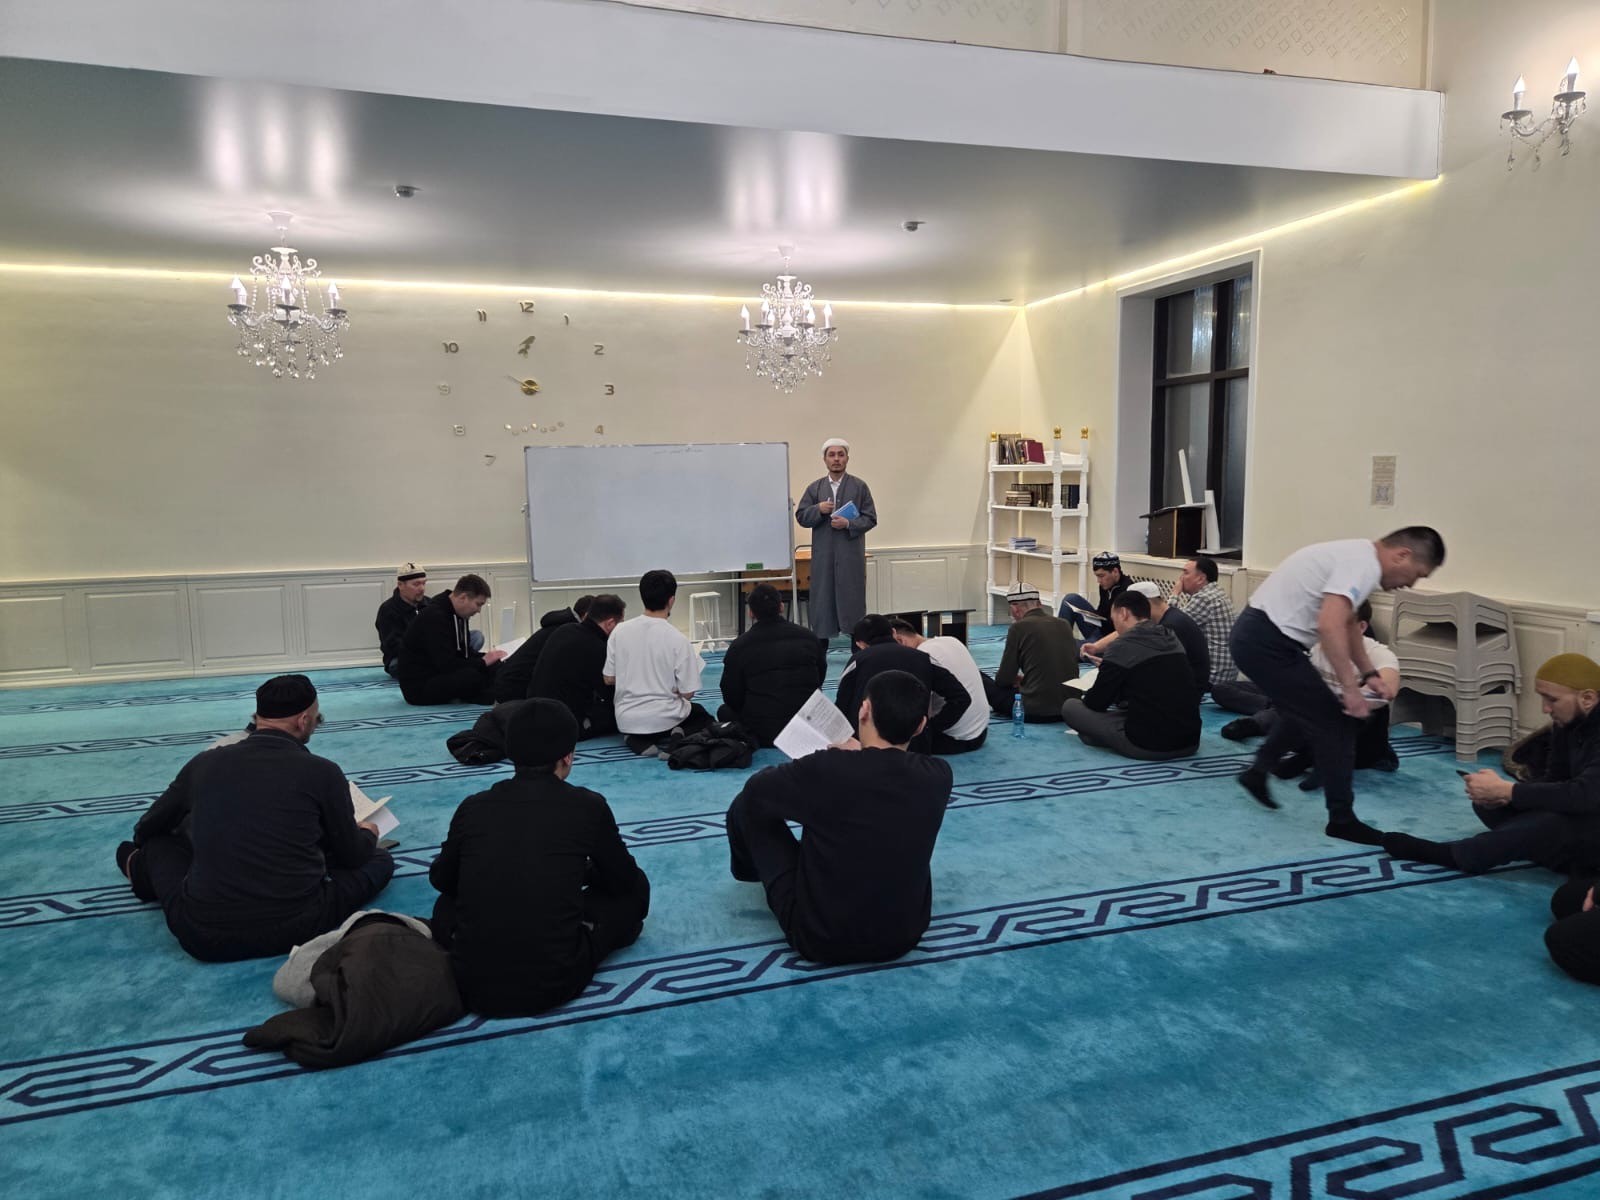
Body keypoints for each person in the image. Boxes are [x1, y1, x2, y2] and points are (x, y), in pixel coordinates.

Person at [114, 675, 395, 962]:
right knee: (380, 860)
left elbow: (148, 828)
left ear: (258, 717)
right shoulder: (323, 771)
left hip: (205, 936)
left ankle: (138, 869)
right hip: (298, 925)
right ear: (303, 721)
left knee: (159, 844)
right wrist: (368, 833)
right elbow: (352, 856)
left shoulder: (204, 764)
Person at [429, 699, 650, 1016]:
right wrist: (581, 872)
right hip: (555, 982)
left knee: (446, 905)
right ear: (568, 756)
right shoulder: (587, 806)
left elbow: (442, 879)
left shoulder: (473, 806)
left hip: (472, 984)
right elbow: (623, 880)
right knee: (635, 891)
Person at [1229, 526, 1445, 844]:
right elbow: (1329, 626)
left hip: (1261, 638)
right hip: (1267, 642)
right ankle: (1342, 820)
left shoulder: (1358, 556)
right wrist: (1351, 690)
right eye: (1418, 574)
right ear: (1403, 555)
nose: (1410, 584)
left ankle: (1257, 772)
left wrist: (1369, 674)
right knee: (1337, 723)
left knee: (1304, 712)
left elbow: (1348, 626)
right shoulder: (1363, 564)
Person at [725, 669, 952, 965]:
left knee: (745, 806)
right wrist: (858, 755)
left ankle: (750, 872)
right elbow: (882, 778)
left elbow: (757, 792)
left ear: (864, 710)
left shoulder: (827, 768)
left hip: (819, 939)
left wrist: (816, 765)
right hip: (904, 935)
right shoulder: (938, 776)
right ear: (920, 725)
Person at [1382, 654, 1600, 876]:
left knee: (1550, 822)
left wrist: (1511, 791)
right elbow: (1556, 779)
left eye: (1552, 700)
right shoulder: (1567, 724)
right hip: (1584, 810)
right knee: (1491, 806)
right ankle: (1550, 852)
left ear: (1588, 698)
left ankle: (1460, 855)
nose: (1545, 708)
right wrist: (1504, 795)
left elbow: (1585, 795)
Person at [1218, 599, 1400, 779]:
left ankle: (1308, 755)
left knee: (1369, 708)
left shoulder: (1378, 654)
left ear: (1361, 627)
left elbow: (1387, 688)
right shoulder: (1314, 647)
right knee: (1228, 690)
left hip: (1355, 740)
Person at [1061, 590, 1200, 761]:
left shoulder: (1122, 645)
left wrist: (1108, 673)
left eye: (1114, 620)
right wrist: (1113, 669)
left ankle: (1099, 736)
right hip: (1190, 741)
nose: (1115, 627)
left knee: (1071, 707)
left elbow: (1096, 703)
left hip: (1148, 745)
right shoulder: (1170, 636)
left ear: (1124, 613)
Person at [604, 569, 712, 756]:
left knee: (642, 721)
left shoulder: (619, 631)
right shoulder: (678, 639)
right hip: (666, 718)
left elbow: (608, 679)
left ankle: (635, 739)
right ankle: (677, 736)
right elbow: (688, 693)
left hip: (626, 718)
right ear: (671, 600)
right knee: (702, 716)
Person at [834, 615, 972, 755]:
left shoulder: (856, 662)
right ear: (893, 632)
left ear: (860, 644)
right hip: (914, 749)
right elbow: (961, 697)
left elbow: (841, 708)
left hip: (866, 749)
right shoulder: (923, 658)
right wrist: (929, 729)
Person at [718, 583, 828, 746]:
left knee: (724, 711)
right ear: (781, 607)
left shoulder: (739, 646)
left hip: (762, 730)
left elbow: (731, 694)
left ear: (751, 613)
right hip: (806, 724)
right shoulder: (809, 638)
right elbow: (820, 677)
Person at [795, 438, 877, 641]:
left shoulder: (859, 487)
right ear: (824, 459)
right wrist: (818, 509)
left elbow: (870, 518)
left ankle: (858, 651)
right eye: (831, 455)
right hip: (823, 560)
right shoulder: (815, 488)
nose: (836, 459)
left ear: (847, 458)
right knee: (822, 605)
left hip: (850, 559)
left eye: (841, 455)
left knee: (853, 606)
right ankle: (819, 652)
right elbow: (801, 516)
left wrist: (848, 524)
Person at [1082, 580, 1209, 700]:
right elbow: (1128, 630)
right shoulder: (1167, 617)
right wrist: (1097, 647)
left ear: (1145, 604)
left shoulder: (1168, 628)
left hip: (1183, 694)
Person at [396, 574, 507, 706]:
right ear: (463, 597)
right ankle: (493, 696)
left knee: (495, 665)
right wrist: (483, 662)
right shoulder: (435, 617)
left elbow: (464, 653)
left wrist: (489, 658)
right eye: (478, 604)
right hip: (419, 686)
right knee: (473, 676)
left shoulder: (458, 614)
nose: (479, 611)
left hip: (438, 674)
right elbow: (446, 664)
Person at [528, 594, 625, 739]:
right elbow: (610, 693)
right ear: (610, 623)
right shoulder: (597, 648)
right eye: (620, 623)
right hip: (563, 723)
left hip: (533, 712)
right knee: (620, 713)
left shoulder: (564, 630)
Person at [980, 582, 1079, 722]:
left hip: (1032, 709)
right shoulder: (1064, 624)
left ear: (1015, 608)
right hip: (1069, 708)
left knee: (977, 676)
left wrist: (1016, 680)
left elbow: (1003, 680)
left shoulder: (1018, 628)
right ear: (1039, 604)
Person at [889, 617, 990, 754]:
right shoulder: (951, 640)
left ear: (900, 640)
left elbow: (915, 707)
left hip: (954, 739)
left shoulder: (921, 656)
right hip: (981, 731)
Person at [493, 595, 594, 704]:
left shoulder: (558, 626)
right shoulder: (569, 633)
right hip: (515, 691)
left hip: (508, 683)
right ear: (586, 616)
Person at [1172, 555, 1238, 688]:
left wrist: (1174, 594)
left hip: (1212, 678)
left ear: (1201, 578)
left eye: (1185, 573)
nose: (1181, 578)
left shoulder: (1204, 598)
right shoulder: (1215, 593)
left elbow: (1170, 625)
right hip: (1225, 674)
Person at [1058, 551, 1130, 642]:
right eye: (1097, 576)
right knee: (1070, 599)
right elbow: (1102, 611)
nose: (1098, 581)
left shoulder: (1128, 590)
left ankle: (1063, 645)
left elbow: (1122, 629)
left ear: (1115, 572)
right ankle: (1059, 641)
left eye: (1101, 576)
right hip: (1100, 628)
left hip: (1110, 637)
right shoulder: (1105, 586)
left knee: (1075, 646)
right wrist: (1091, 616)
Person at [375, 561, 430, 677]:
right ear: (400, 585)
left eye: (424, 583)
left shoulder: (430, 604)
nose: (422, 588)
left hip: (432, 653)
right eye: (416, 584)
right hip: (402, 657)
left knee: (471, 639)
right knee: (401, 665)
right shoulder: (388, 610)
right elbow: (393, 646)